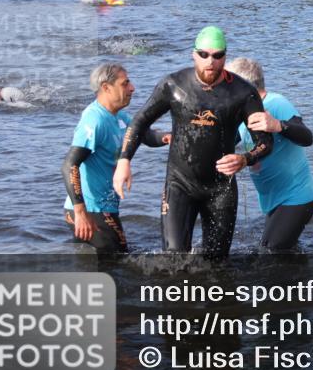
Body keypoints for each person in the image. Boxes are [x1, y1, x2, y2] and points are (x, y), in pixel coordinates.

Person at [113, 26, 273, 259]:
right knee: (173, 259)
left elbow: (266, 143)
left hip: (221, 188)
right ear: (193, 54)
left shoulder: (243, 93)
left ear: (225, 56)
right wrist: (124, 161)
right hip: (179, 184)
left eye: (218, 55)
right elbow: (139, 121)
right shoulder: (174, 85)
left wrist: (244, 159)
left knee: (217, 264)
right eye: (204, 54)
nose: (211, 61)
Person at [62, 63, 170, 253]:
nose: (132, 87)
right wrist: (80, 213)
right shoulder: (94, 120)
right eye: (125, 83)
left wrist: (169, 137)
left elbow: (145, 136)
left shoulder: (119, 116)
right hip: (90, 209)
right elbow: (70, 165)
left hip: (101, 207)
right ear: (106, 87)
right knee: (117, 261)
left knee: (94, 260)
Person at [226, 57, 313, 251]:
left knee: (271, 254)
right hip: (273, 200)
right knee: (277, 253)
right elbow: (227, 142)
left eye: (229, 84)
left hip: (296, 198)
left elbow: (307, 137)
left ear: (244, 87)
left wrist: (278, 125)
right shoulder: (244, 111)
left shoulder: (276, 103)